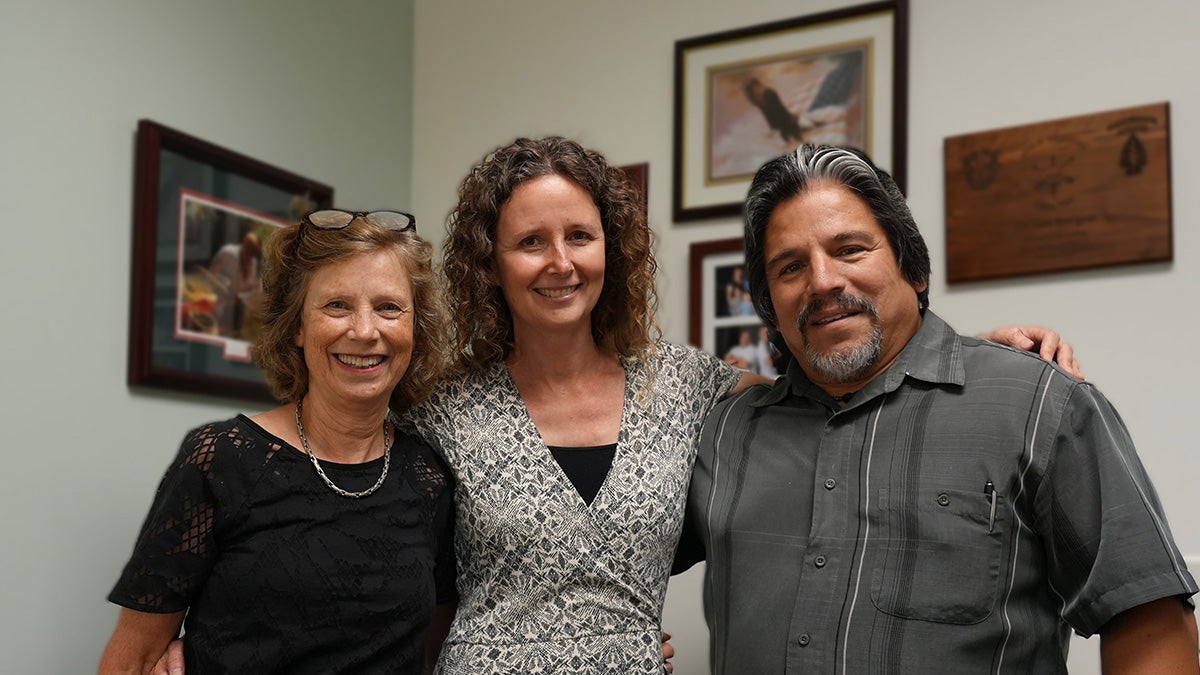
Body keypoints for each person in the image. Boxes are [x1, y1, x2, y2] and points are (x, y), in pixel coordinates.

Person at [149, 138, 1080, 675]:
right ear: (490, 262)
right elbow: (348, 531)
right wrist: (218, 649)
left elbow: (837, 385)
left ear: (612, 250)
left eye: (580, 235)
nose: (559, 261)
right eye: (529, 242)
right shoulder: (438, 407)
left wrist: (971, 351)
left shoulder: (698, 388)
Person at [674, 145, 1199, 673]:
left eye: (850, 249)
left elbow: (1149, 621)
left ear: (914, 269)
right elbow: (609, 563)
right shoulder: (723, 435)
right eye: (790, 267)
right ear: (769, 305)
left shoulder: (1037, 407)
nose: (823, 281)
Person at [100, 210, 457, 674]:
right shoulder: (222, 458)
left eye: (389, 307)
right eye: (337, 306)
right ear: (297, 327)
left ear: (415, 329)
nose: (366, 331)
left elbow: (438, 647)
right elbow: (137, 655)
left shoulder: (429, 477)